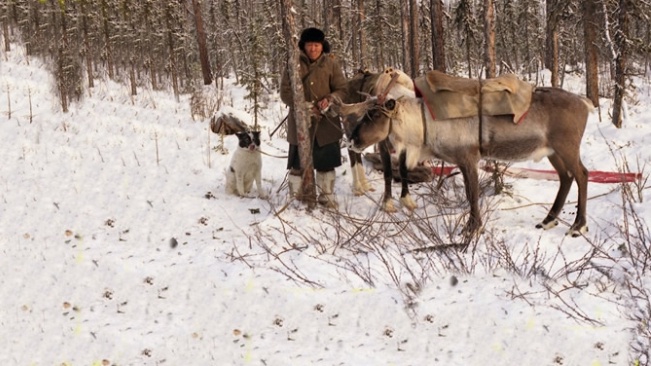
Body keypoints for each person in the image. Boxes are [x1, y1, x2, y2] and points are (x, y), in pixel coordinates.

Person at [280, 27, 348, 208]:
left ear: (322, 45)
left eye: (316, 45)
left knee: (326, 163)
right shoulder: (292, 63)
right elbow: (285, 92)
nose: (313, 49)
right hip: (300, 123)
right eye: (310, 45)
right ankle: (298, 197)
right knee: (297, 165)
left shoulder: (331, 63)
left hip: (326, 123)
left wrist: (330, 100)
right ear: (304, 46)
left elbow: (342, 89)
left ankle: (326, 196)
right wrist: (303, 106)